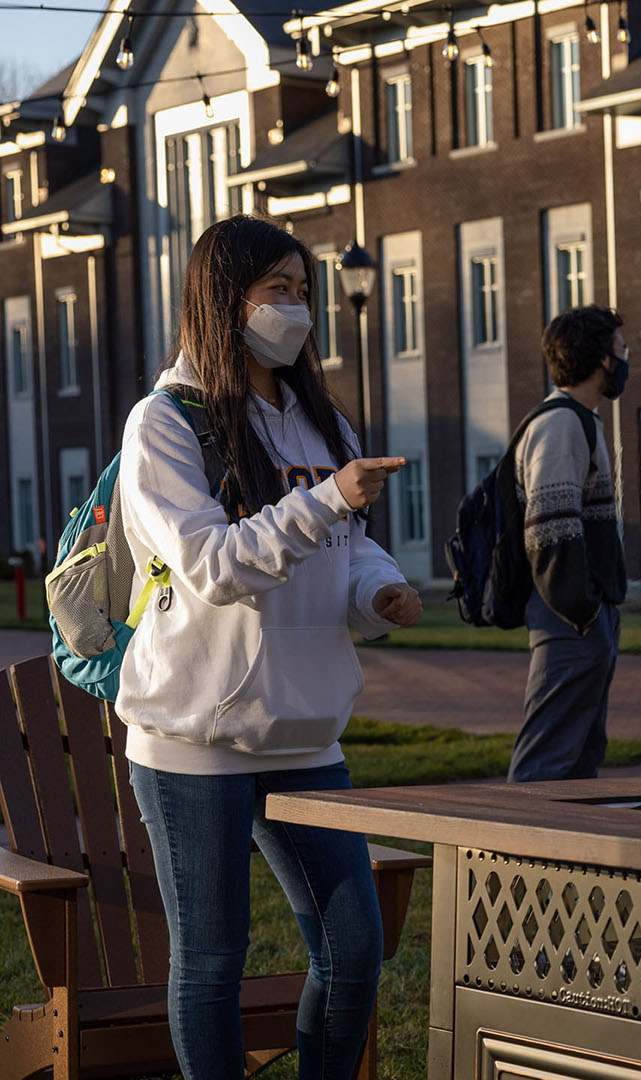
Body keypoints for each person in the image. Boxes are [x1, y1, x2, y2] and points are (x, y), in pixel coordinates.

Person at [117, 214, 422, 1079]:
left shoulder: (326, 426)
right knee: (213, 963)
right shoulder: (167, 424)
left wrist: (378, 588)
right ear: (224, 300)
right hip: (193, 738)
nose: (296, 308)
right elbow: (213, 567)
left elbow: (346, 546)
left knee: (354, 948)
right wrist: (326, 500)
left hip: (305, 731)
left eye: (303, 289)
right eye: (275, 290)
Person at [509, 305, 629, 782]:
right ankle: (515, 851)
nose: (625, 359)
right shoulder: (559, 425)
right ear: (602, 359)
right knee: (546, 760)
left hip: (585, 615)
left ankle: (571, 855)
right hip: (569, 617)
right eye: (620, 349)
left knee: (581, 756)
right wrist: (585, 615)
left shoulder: (583, 420)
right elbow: (549, 533)